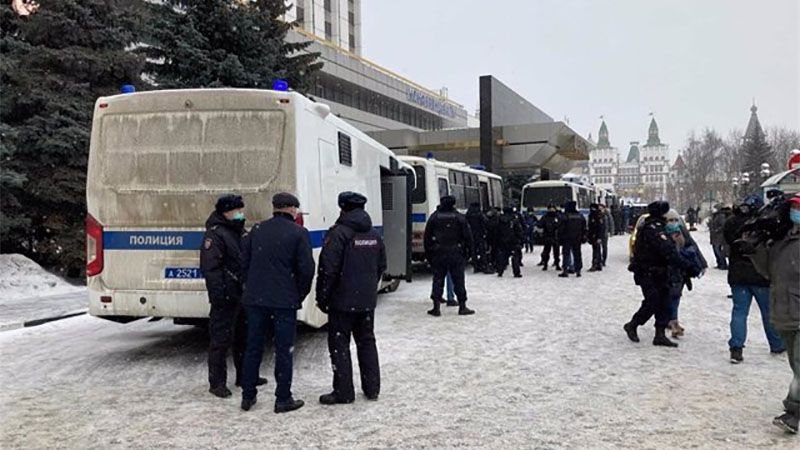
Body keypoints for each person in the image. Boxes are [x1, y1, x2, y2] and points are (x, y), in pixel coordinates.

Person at [240, 192, 315, 413]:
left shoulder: (257, 230)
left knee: (253, 347)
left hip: (256, 299)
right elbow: (306, 270)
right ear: (292, 209)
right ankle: (283, 398)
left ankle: (247, 395)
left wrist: (251, 287)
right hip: (284, 301)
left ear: (275, 208)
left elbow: (244, 263)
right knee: (284, 350)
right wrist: (297, 294)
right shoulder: (299, 233)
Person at [316, 192, 386, 405]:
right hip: (366, 301)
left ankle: (344, 391)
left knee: (339, 345)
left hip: (342, 302)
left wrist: (323, 297)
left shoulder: (338, 234)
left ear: (343, 208)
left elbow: (328, 269)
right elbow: (382, 265)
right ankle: (372, 387)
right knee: (367, 342)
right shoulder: (374, 235)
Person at [747, 193, 800, 434]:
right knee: (795, 366)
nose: (795, 212)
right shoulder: (782, 240)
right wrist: (753, 250)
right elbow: (769, 272)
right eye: (794, 207)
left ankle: (793, 412)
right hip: (784, 312)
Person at [200, 194, 259, 398]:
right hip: (225, 296)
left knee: (243, 336)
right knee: (220, 340)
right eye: (237, 210)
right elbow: (211, 269)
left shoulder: (239, 231)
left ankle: (244, 375)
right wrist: (219, 295)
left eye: (241, 210)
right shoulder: (215, 235)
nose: (240, 213)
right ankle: (217, 382)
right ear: (226, 212)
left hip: (242, 294)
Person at [623, 201, 700, 348]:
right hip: (648, 272)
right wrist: (688, 266)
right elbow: (668, 251)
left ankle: (660, 334)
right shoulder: (654, 228)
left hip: (660, 271)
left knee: (664, 301)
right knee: (653, 301)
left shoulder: (659, 227)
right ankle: (633, 324)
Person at [723, 195, 785, 364]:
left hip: (738, 273)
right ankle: (776, 343)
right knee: (768, 312)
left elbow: (728, 241)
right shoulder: (764, 223)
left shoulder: (731, 222)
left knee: (739, 311)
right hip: (760, 274)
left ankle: (736, 348)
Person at [423, 195, 475, 316]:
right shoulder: (459, 217)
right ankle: (462, 306)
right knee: (459, 280)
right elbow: (468, 237)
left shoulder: (434, 217)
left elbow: (427, 238)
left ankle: (436, 307)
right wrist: (467, 254)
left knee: (438, 280)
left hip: (439, 253)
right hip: (456, 253)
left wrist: (430, 254)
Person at [663, 209, 707, 337]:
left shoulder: (682, 231)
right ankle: (670, 321)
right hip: (668, 270)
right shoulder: (662, 233)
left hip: (681, 270)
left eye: (676, 220)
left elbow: (692, 246)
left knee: (676, 296)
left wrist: (701, 263)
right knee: (670, 296)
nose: (673, 223)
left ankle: (673, 321)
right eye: (670, 220)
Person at [558, 201, 586, 278]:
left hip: (567, 238)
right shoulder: (580, 216)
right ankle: (578, 270)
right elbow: (584, 227)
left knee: (566, 254)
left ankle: (565, 270)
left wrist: (560, 238)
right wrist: (583, 236)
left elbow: (561, 228)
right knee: (577, 254)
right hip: (577, 238)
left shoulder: (565, 216)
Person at [496, 206, 524, 278]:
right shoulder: (514, 220)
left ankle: (500, 271)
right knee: (515, 257)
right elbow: (518, 230)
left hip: (502, 240)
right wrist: (521, 239)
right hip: (513, 240)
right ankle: (516, 273)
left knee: (503, 256)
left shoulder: (499, 219)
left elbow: (496, 230)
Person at [466, 202, 492, 274]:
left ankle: (475, 266)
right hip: (480, 234)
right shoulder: (479, 214)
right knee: (482, 251)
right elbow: (485, 222)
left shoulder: (468, 214)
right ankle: (484, 266)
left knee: (473, 251)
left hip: (471, 235)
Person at [538, 204, 561, 271]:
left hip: (555, 236)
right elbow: (540, 224)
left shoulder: (557, 216)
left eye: (553, 208)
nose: (551, 210)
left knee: (556, 252)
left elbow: (561, 224)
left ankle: (557, 264)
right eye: (550, 208)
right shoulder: (545, 217)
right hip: (547, 236)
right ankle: (545, 264)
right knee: (546, 252)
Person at [709, 205, 731, 270]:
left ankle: (723, 264)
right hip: (714, 236)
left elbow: (723, 225)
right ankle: (719, 263)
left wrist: (717, 230)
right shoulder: (714, 216)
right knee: (715, 250)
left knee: (718, 250)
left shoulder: (720, 216)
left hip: (719, 236)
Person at [587, 203, 606, 272]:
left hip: (596, 236)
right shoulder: (592, 215)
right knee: (596, 249)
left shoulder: (598, 216)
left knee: (596, 250)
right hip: (593, 236)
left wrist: (599, 237)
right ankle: (598, 264)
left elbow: (601, 227)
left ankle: (595, 264)